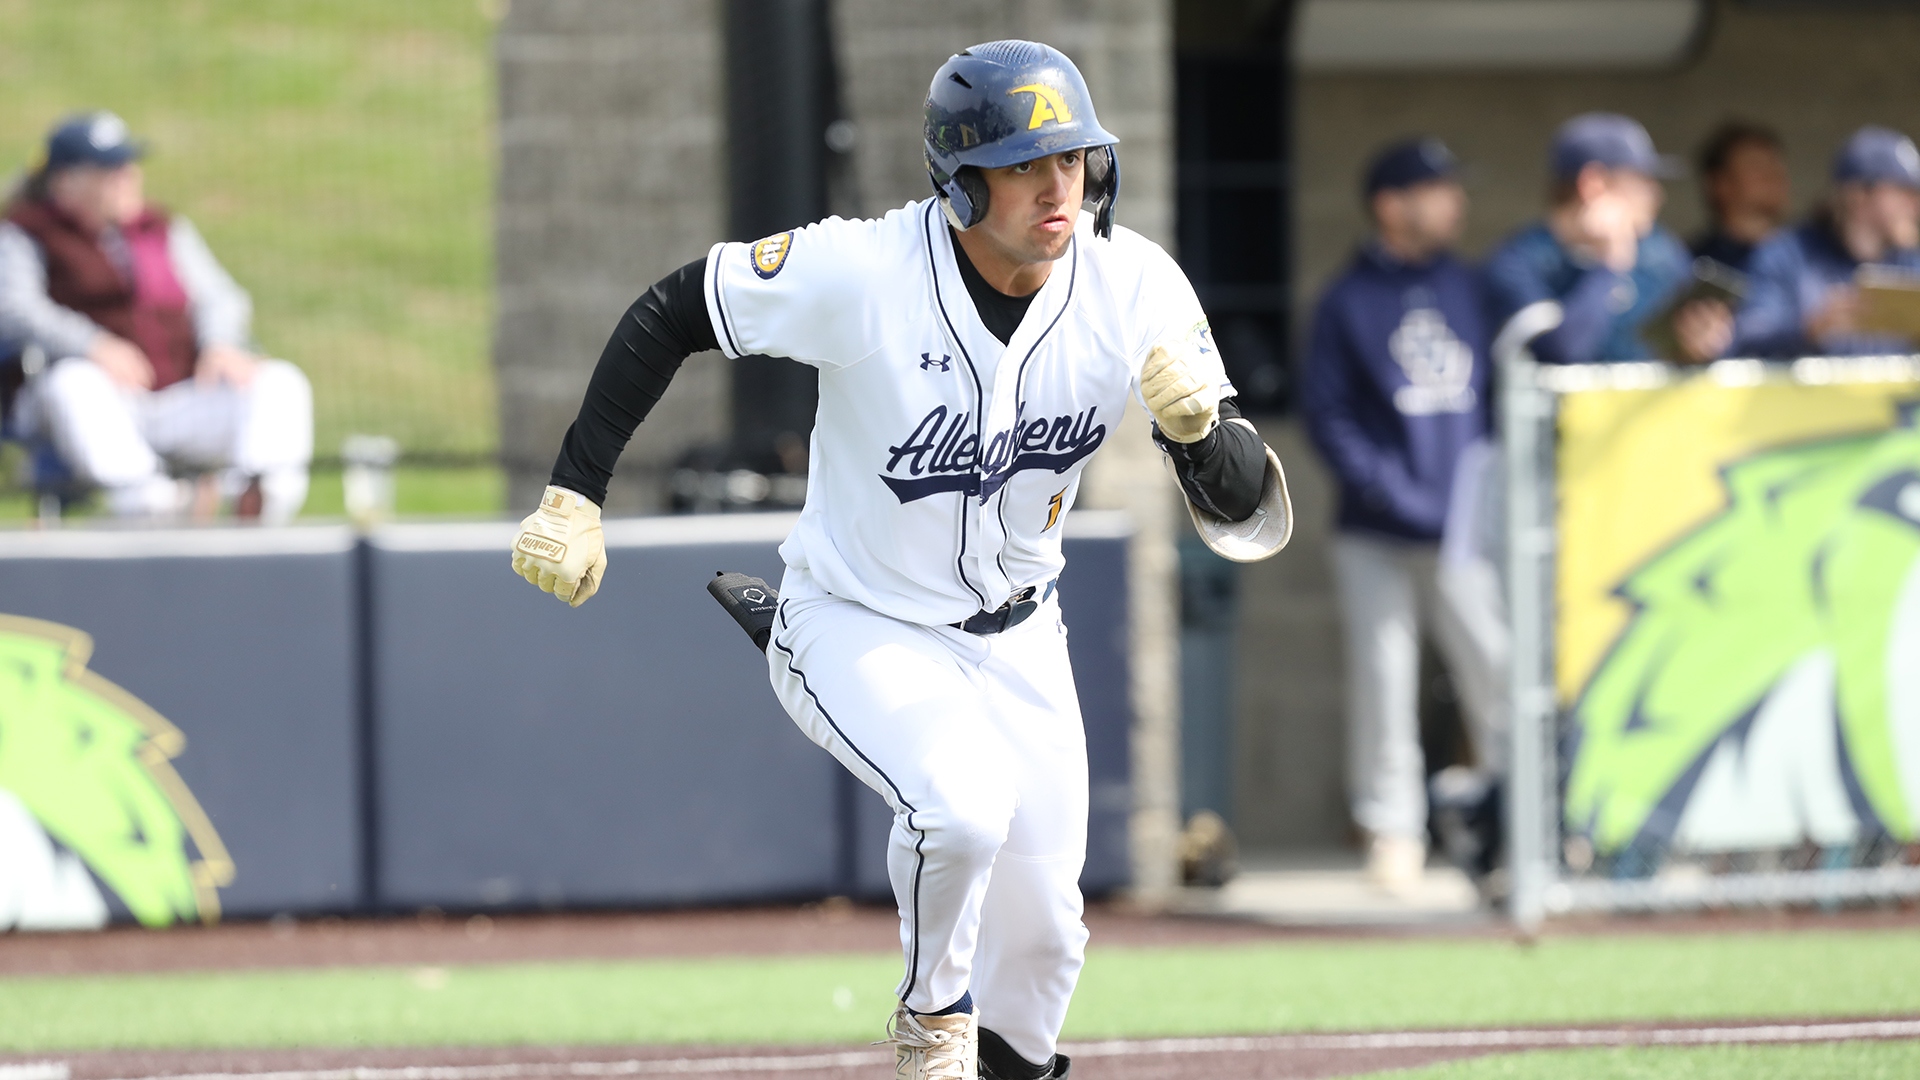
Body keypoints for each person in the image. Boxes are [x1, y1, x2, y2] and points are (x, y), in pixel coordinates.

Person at [507, 41, 1289, 1080]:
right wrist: (575, 489)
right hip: (859, 616)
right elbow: (673, 310)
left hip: (1023, 631)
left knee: (1047, 948)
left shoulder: (1133, 284)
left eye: (1071, 159)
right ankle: (930, 1024)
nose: (1057, 187)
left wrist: (1198, 436)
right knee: (960, 808)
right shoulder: (866, 271)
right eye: (1023, 165)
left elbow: (1244, 512)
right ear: (961, 183)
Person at [1300, 137, 1498, 894]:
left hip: (1464, 532)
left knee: (1496, 667)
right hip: (1374, 532)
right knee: (1382, 681)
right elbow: (1328, 418)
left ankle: (1519, 822)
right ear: (1391, 205)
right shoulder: (1346, 299)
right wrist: (1393, 493)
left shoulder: (1470, 287)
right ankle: (1393, 833)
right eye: (1437, 190)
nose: (1456, 203)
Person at [0, 111, 311, 521]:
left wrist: (219, 344)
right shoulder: (27, 232)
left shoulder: (161, 228)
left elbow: (221, 297)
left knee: (279, 382)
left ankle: (256, 506)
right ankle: (156, 507)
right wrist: (92, 345)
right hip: (99, 400)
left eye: (127, 166)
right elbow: (13, 308)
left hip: (177, 393)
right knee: (73, 382)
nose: (127, 177)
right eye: (108, 170)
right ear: (66, 183)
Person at [1485, 112, 1732, 365]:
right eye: (1642, 181)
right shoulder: (1518, 261)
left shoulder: (1659, 251)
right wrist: (1609, 264)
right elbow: (1561, 352)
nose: (1657, 196)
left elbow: (1687, 350)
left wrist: (1698, 346)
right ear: (1594, 184)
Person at [1735, 125, 1920, 358]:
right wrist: (1809, 331)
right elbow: (1745, 341)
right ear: (1858, 196)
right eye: (1904, 192)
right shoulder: (1786, 255)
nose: (1915, 206)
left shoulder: (1910, 263)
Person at [1692, 120, 1791, 275]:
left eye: (1775, 164)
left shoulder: (1807, 257)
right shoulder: (1694, 265)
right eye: (1757, 166)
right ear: (1721, 183)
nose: (1773, 175)